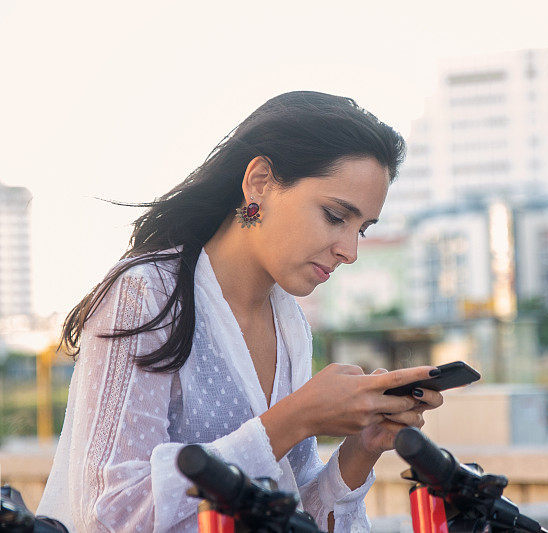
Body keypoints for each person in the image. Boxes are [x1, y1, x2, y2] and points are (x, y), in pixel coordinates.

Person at [36, 91, 444, 532]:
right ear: (260, 182)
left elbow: (290, 513)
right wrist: (295, 418)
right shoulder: (145, 294)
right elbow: (106, 512)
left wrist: (360, 449)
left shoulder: (290, 325)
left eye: (361, 229)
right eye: (334, 216)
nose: (350, 250)